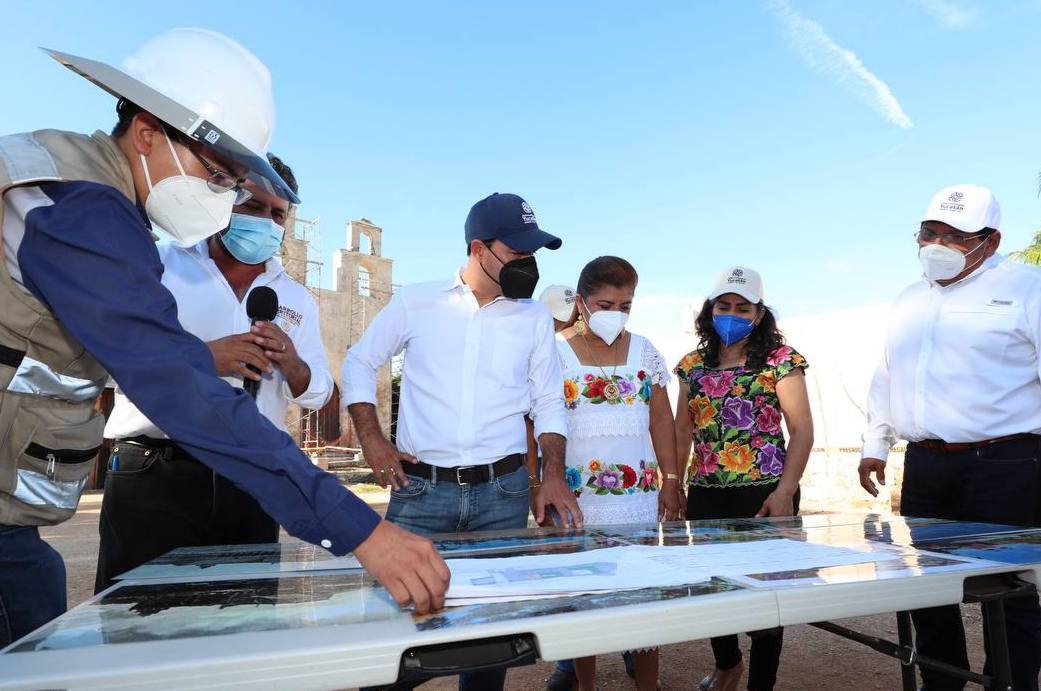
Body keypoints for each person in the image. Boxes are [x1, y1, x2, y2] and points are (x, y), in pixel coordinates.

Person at [0, 29, 447, 649]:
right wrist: (360, 530)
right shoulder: (85, 211)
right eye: (218, 176)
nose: (222, 198)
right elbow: (179, 386)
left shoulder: (89, 196)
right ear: (150, 131)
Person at [342, 192, 583, 691]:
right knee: (393, 640)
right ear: (479, 249)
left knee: (489, 642)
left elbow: (548, 404)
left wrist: (553, 475)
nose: (529, 264)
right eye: (518, 253)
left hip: (504, 494)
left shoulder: (534, 318)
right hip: (421, 494)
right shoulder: (417, 302)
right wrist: (373, 440)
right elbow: (360, 362)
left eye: (533, 254)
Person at [94, 154, 335, 592]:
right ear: (223, 201)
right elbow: (106, 363)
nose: (267, 222)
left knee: (242, 626)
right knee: (136, 627)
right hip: (156, 470)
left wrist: (294, 365)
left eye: (278, 214)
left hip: (254, 473)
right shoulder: (157, 264)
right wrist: (203, 357)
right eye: (254, 206)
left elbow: (318, 393)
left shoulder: (297, 298)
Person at [859, 184, 1041, 691]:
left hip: (1006, 465)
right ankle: (944, 682)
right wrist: (876, 445)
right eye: (929, 232)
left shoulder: (1030, 288)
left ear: (990, 239)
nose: (937, 244)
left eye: (956, 236)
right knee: (929, 586)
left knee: (1009, 589)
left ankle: (1009, 684)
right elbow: (886, 375)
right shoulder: (909, 298)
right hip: (927, 466)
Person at [674, 266, 813, 691]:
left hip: (765, 493)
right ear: (710, 309)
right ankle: (728, 663)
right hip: (706, 493)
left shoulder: (781, 360)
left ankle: (761, 684)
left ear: (758, 313)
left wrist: (785, 492)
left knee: (767, 592)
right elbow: (683, 431)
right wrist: (674, 484)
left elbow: (802, 429)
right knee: (714, 587)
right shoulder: (692, 366)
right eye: (724, 305)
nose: (732, 313)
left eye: (743, 307)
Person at [553, 256, 684, 691]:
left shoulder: (645, 351)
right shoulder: (553, 351)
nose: (616, 314)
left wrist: (671, 480)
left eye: (626, 305)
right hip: (577, 500)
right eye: (605, 303)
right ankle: (586, 685)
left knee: (642, 597)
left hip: (638, 499)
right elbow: (535, 421)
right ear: (581, 301)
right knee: (583, 598)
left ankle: (649, 685)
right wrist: (540, 485)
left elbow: (661, 421)